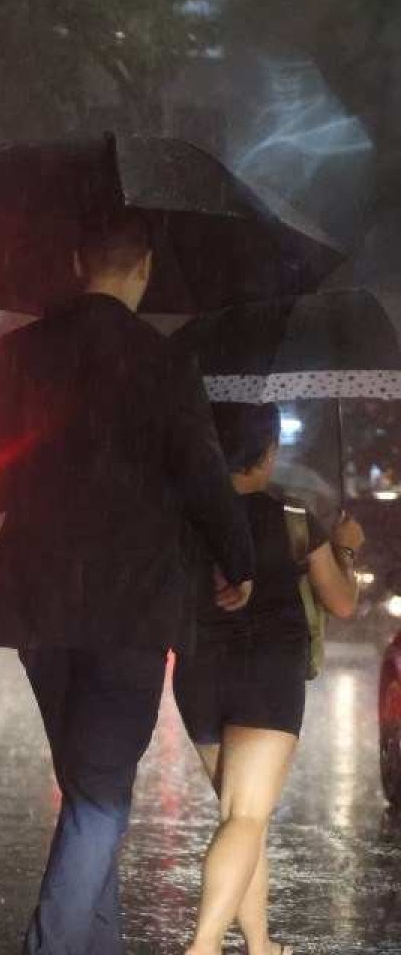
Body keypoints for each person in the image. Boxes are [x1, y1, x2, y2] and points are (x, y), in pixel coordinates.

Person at [0, 210, 257, 955]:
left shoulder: (19, 353)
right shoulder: (164, 363)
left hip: (37, 597)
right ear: (145, 270)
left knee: (90, 786)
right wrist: (241, 561)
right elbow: (203, 477)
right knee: (99, 794)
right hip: (131, 602)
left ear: (75, 261)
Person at [174, 403, 363, 955]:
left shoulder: (185, 513)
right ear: (268, 452)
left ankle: (261, 945)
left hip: (199, 674)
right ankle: (203, 947)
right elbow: (342, 602)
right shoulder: (296, 517)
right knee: (246, 816)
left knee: (241, 819)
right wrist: (346, 546)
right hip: (267, 676)